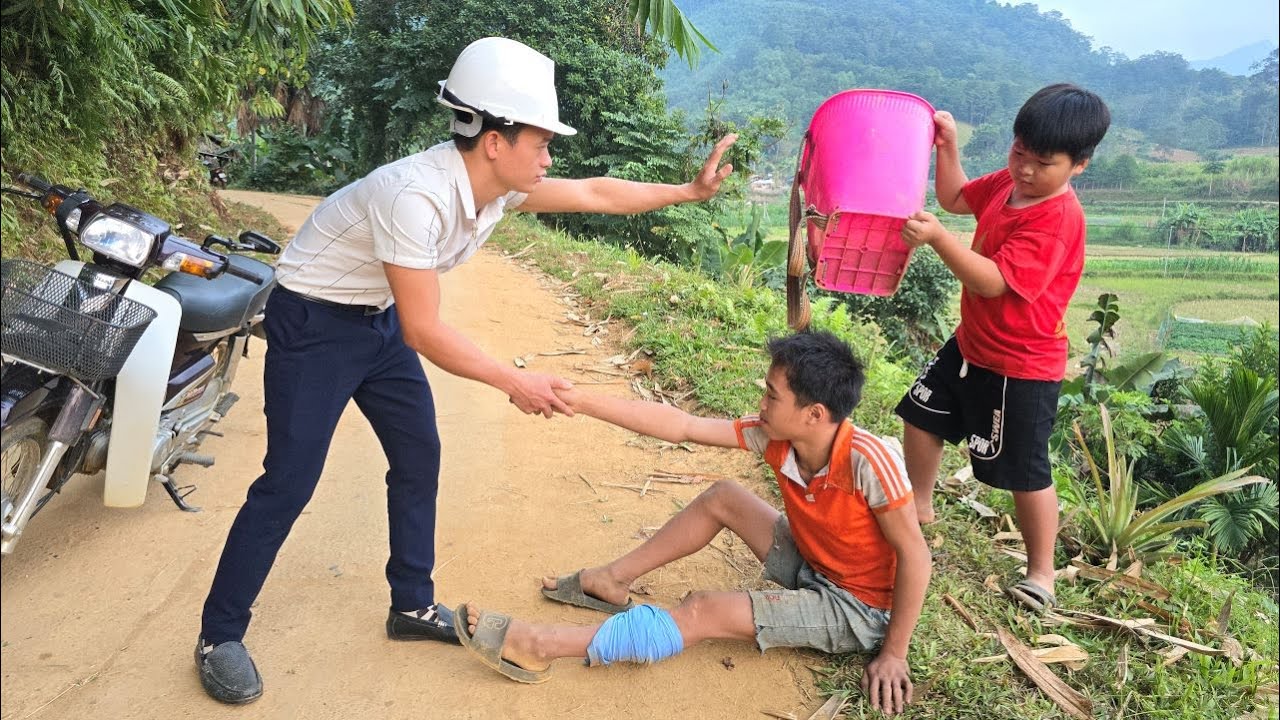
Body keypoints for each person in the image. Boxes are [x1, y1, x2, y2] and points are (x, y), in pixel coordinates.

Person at [194, 36, 739, 704]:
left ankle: (411, 605)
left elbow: (596, 192)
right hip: (314, 324)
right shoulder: (413, 196)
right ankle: (219, 635)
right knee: (289, 482)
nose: (549, 156)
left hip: (376, 319)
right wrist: (516, 381)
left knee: (419, 455)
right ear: (494, 142)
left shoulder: (496, 191)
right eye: (541, 142)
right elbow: (426, 329)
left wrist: (687, 191)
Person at [454, 332, 932, 717]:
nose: (761, 403)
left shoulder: (870, 461)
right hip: (816, 563)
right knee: (724, 496)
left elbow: (915, 556)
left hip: (859, 609)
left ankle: (540, 645)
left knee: (701, 609)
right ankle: (610, 582)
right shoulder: (777, 437)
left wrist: (893, 652)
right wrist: (578, 401)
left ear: (814, 414)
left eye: (771, 394)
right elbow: (681, 425)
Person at [895, 83, 1110, 614]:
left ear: (1079, 165)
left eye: (1043, 163)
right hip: (971, 344)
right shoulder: (1007, 185)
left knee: (1024, 471)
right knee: (922, 415)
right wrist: (947, 147)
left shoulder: (1057, 221)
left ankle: (1042, 574)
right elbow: (954, 197)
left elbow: (993, 281)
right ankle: (917, 511)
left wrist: (942, 240)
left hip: (1022, 367)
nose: (1026, 170)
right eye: (1019, 153)